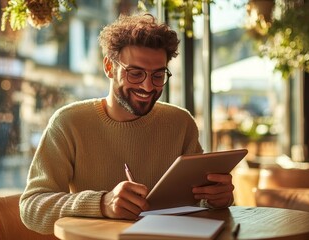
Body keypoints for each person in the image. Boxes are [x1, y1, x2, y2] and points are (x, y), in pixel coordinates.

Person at [20, 13, 235, 235]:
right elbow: (31, 208)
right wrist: (102, 203)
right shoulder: (69, 122)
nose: (148, 86)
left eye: (158, 76)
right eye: (135, 73)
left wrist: (217, 199)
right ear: (109, 67)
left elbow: (196, 202)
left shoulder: (181, 123)